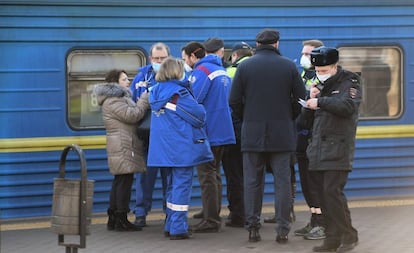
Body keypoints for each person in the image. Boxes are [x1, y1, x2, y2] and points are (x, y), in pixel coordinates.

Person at [229, 28, 306, 244]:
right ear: (276, 44)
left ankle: (253, 228)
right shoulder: (289, 66)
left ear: (257, 44)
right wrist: (288, 116)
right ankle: (282, 230)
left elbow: (234, 101)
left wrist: (249, 118)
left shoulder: (244, 66)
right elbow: (301, 99)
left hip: (252, 134)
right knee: (282, 182)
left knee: (252, 182)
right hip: (282, 135)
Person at [147, 57, 213, 240]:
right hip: (181, 148)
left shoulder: (155, 91)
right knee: (181, 186)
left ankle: (170, 224)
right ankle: (178, 228)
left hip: (163, 149)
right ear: (176, 72)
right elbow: (200, 116)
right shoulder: (178, 94)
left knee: (171, 187)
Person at [303, 46, 360, 252]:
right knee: (323, 196)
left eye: (324, 70)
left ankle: (349, 235)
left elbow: (347, 106)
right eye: (318, 71)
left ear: (335, 67)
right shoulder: (318, 85)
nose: (320, 74)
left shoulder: (350, 81)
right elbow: (305, 121)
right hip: (317, 149)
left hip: (338, 148)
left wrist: (321, 101)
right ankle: (332, 239)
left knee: (332, 193)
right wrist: (310, 100)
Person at [182, 41, 236, 233]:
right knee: (214, 173)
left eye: (185, 58)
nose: (185, 63)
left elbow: (193, 101)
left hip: (208, 131)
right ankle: (211, 210)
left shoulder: (202, 71)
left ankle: (211, 219)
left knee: (206, 175)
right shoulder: (220, 70)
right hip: (222, 130)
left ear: (192, 56)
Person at [94, 69, 149, 232]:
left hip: (121, 142)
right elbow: (133, 115)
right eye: (124, 79)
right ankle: (121, 218)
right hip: (123, 144)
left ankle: (114, 217)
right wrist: (144, 100)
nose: (128, 82)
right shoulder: (114, 100)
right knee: (125, 181)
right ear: (115, 83)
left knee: (120, 180)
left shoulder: (115, 99)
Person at [130, 42, 170, 227]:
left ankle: (170, 212)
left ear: (169, 58)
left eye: (163, 59)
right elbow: (132, 105)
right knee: (144, 178)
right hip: (147, 138)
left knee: (169, 179)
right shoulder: (140, 79)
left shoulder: (176, 76)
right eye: (156, 59)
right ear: (150, 58)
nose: (159, 62)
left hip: (170, 138)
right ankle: (140, 213)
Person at [293, 39, 327, 241]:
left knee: (316, 183)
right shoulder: (305, 75)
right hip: (301, 136)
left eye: (309, 54)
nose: (305, 57)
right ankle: (314, 220)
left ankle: (323, 223)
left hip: (315, 138)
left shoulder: (325, 78)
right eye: (304, 53)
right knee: (306, 183)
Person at [222, 41, 253, 227]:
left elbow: (228, 103)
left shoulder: (229, 72)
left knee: (234, 175)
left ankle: (238, 215)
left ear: (234, 56)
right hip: (255, 131)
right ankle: (252, 213)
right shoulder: (259, 70)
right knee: (252, 175)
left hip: (234, 131)